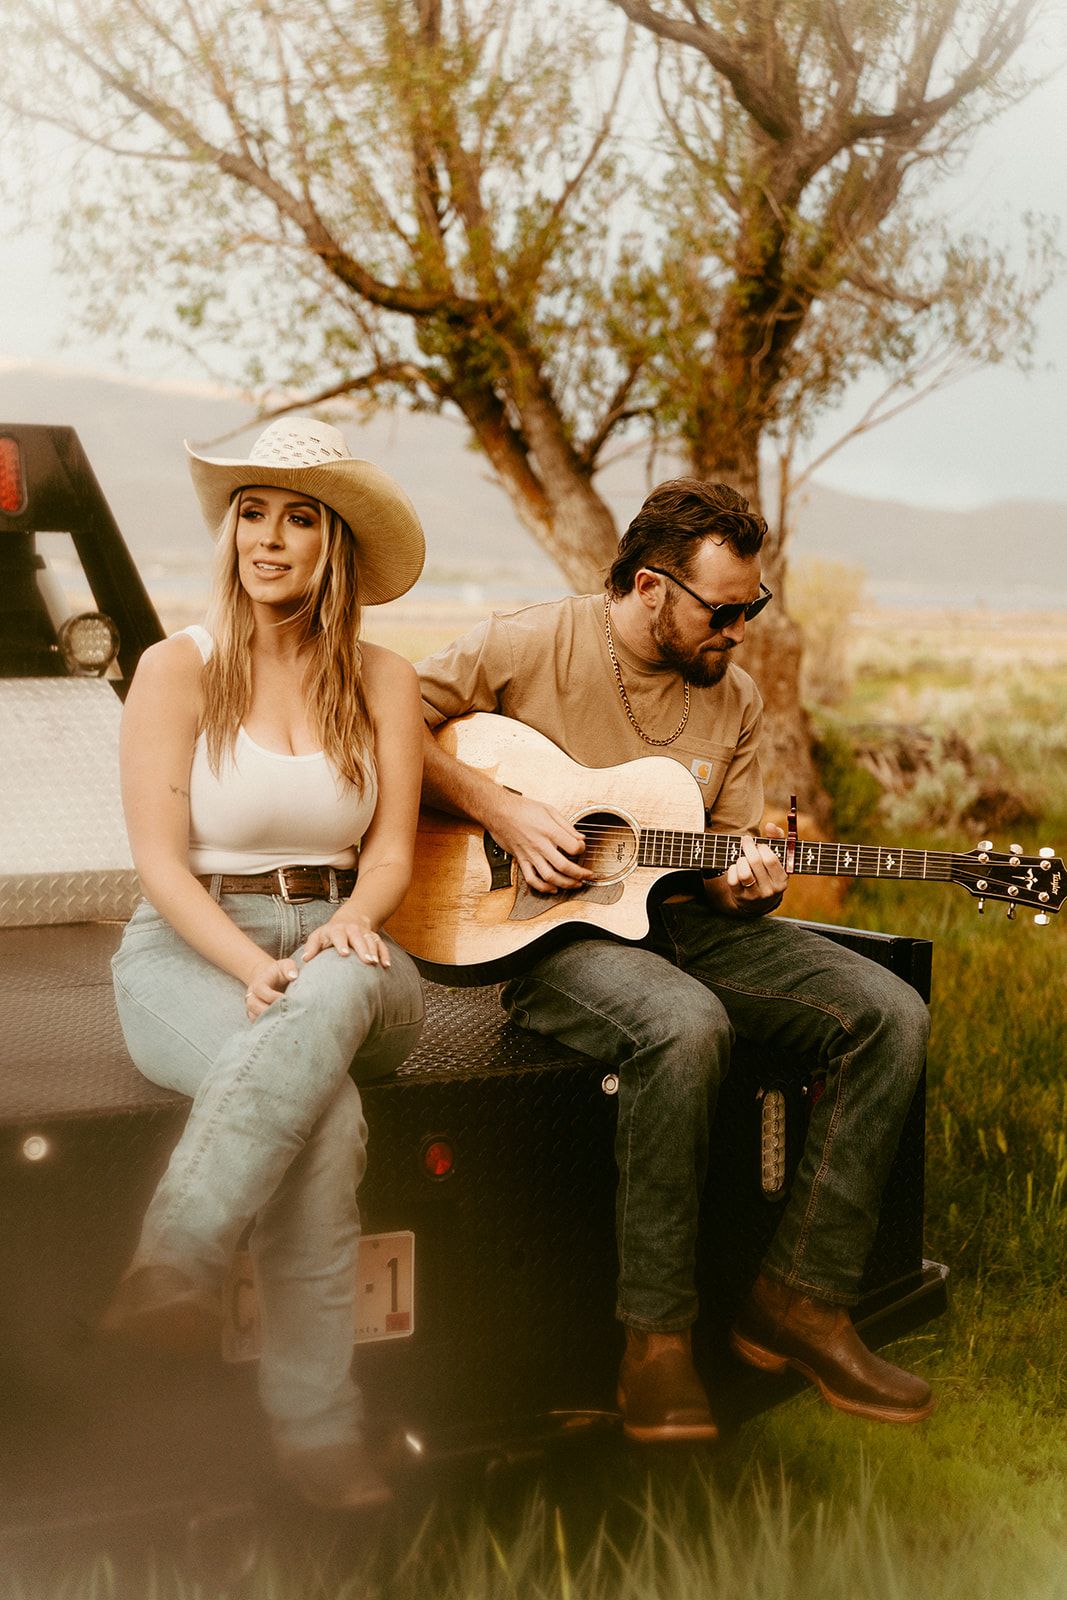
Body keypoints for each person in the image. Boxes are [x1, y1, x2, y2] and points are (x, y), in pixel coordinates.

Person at [415, 478, 934, 1443]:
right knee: (682, 1025)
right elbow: (382, 716)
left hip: (681, 920)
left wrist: (749, 883)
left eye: (753, 609)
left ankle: (800, 1300)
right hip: (543, 934)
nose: (739, 632)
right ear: (651, 588)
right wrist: (501, 810)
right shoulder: (532, 643)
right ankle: (654, 1342)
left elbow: (731, 851)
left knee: (889, 1012)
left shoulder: (731, 698)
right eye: (724, 610)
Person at [103, 417, 426, 1508]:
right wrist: (249, 962)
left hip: (348, 941)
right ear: (229, 530)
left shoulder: (381, 676)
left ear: (336, 546)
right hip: (192, 949)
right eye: (252, 514)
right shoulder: (174, 669)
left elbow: (385, 853)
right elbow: (160, 865)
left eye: (298, 518)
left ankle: (174, 1264)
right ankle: (319, 1434)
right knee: (323, 1115)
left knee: (334, 982)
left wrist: (347, 924)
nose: (269, 540)